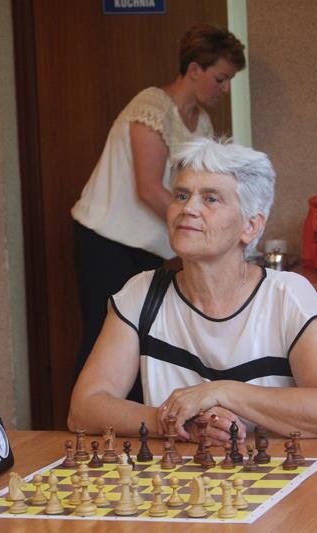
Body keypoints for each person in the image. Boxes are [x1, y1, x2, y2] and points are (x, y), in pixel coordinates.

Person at [68, 138, 317, 444]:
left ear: (250, 226)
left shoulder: (287, 296)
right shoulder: (142, 294)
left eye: (211, 199)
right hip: (178, 473)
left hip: (273, 471)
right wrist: (174, 421)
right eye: (181, 195)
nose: (188, 209)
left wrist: (222, 392)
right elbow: (84, 408)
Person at [70, 24, 247, 376]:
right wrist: (201, 227)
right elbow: (149, 189)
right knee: (104, 338)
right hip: (106, 241)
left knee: (142, 340)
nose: (226, 89)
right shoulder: (151, 106)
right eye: (221, 78)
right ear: (194, 69)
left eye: (229, 81)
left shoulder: (203, 121)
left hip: (149, 246)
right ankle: (89, 409)